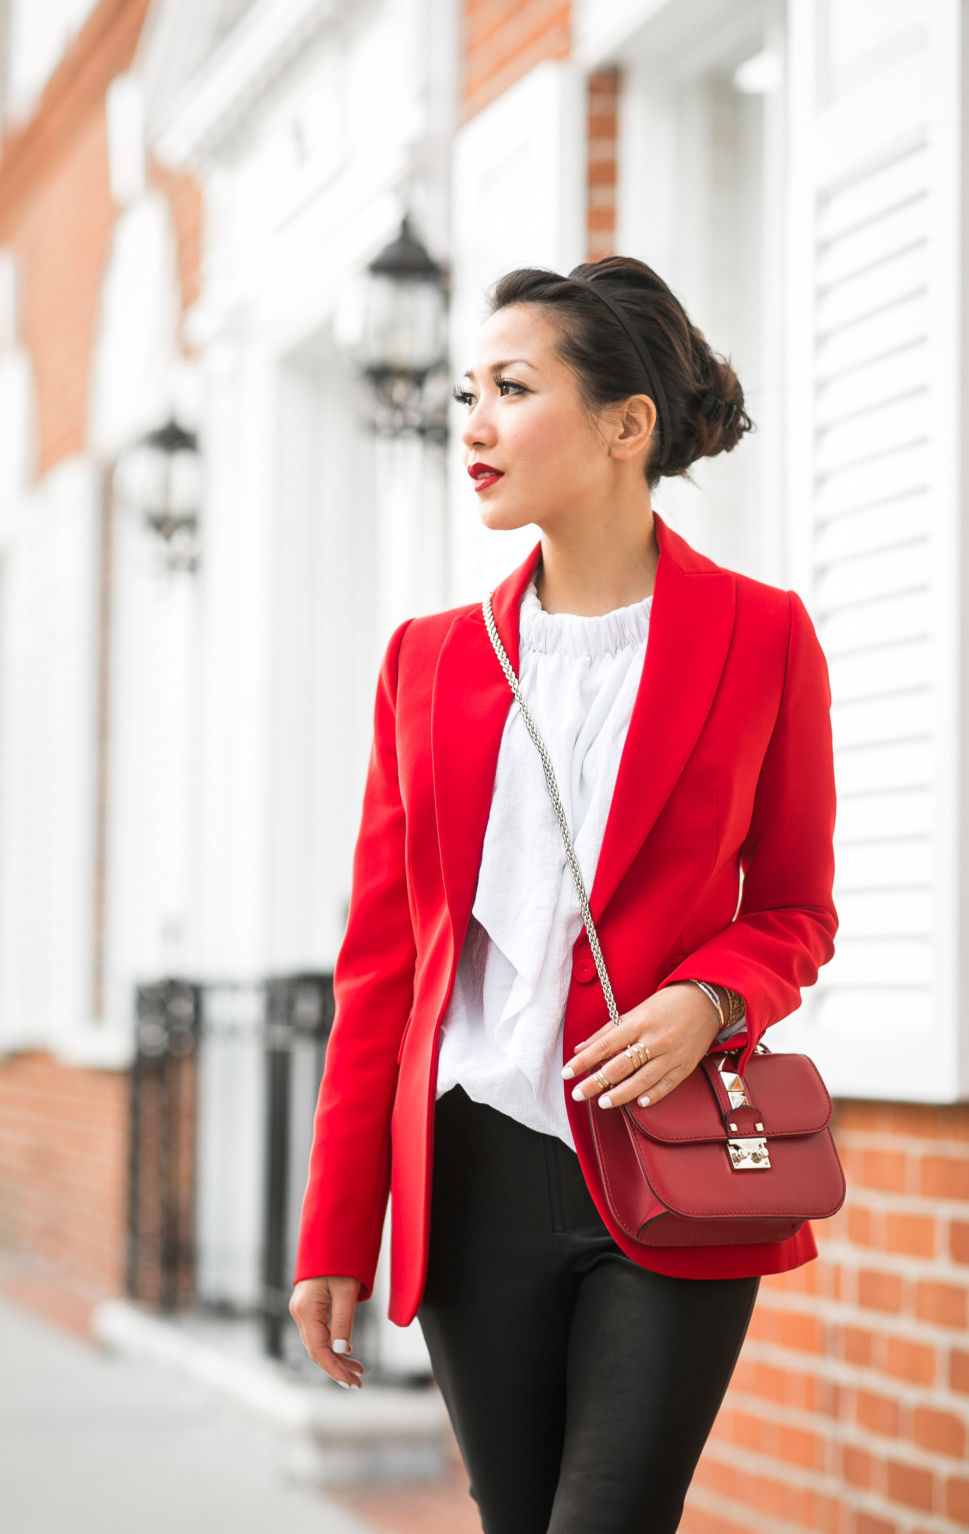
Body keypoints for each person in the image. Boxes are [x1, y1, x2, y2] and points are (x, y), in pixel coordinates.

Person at [289, 255, 838, 1533]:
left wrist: (712, 996)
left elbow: (795, 906)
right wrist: (332, 1233)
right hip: (473, 1167)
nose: (468, 424)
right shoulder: (425, 664)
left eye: (509, 389)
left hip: (668, 1159)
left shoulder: (762, 637)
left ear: (623, 425)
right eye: (465, 391)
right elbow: (380, 966)